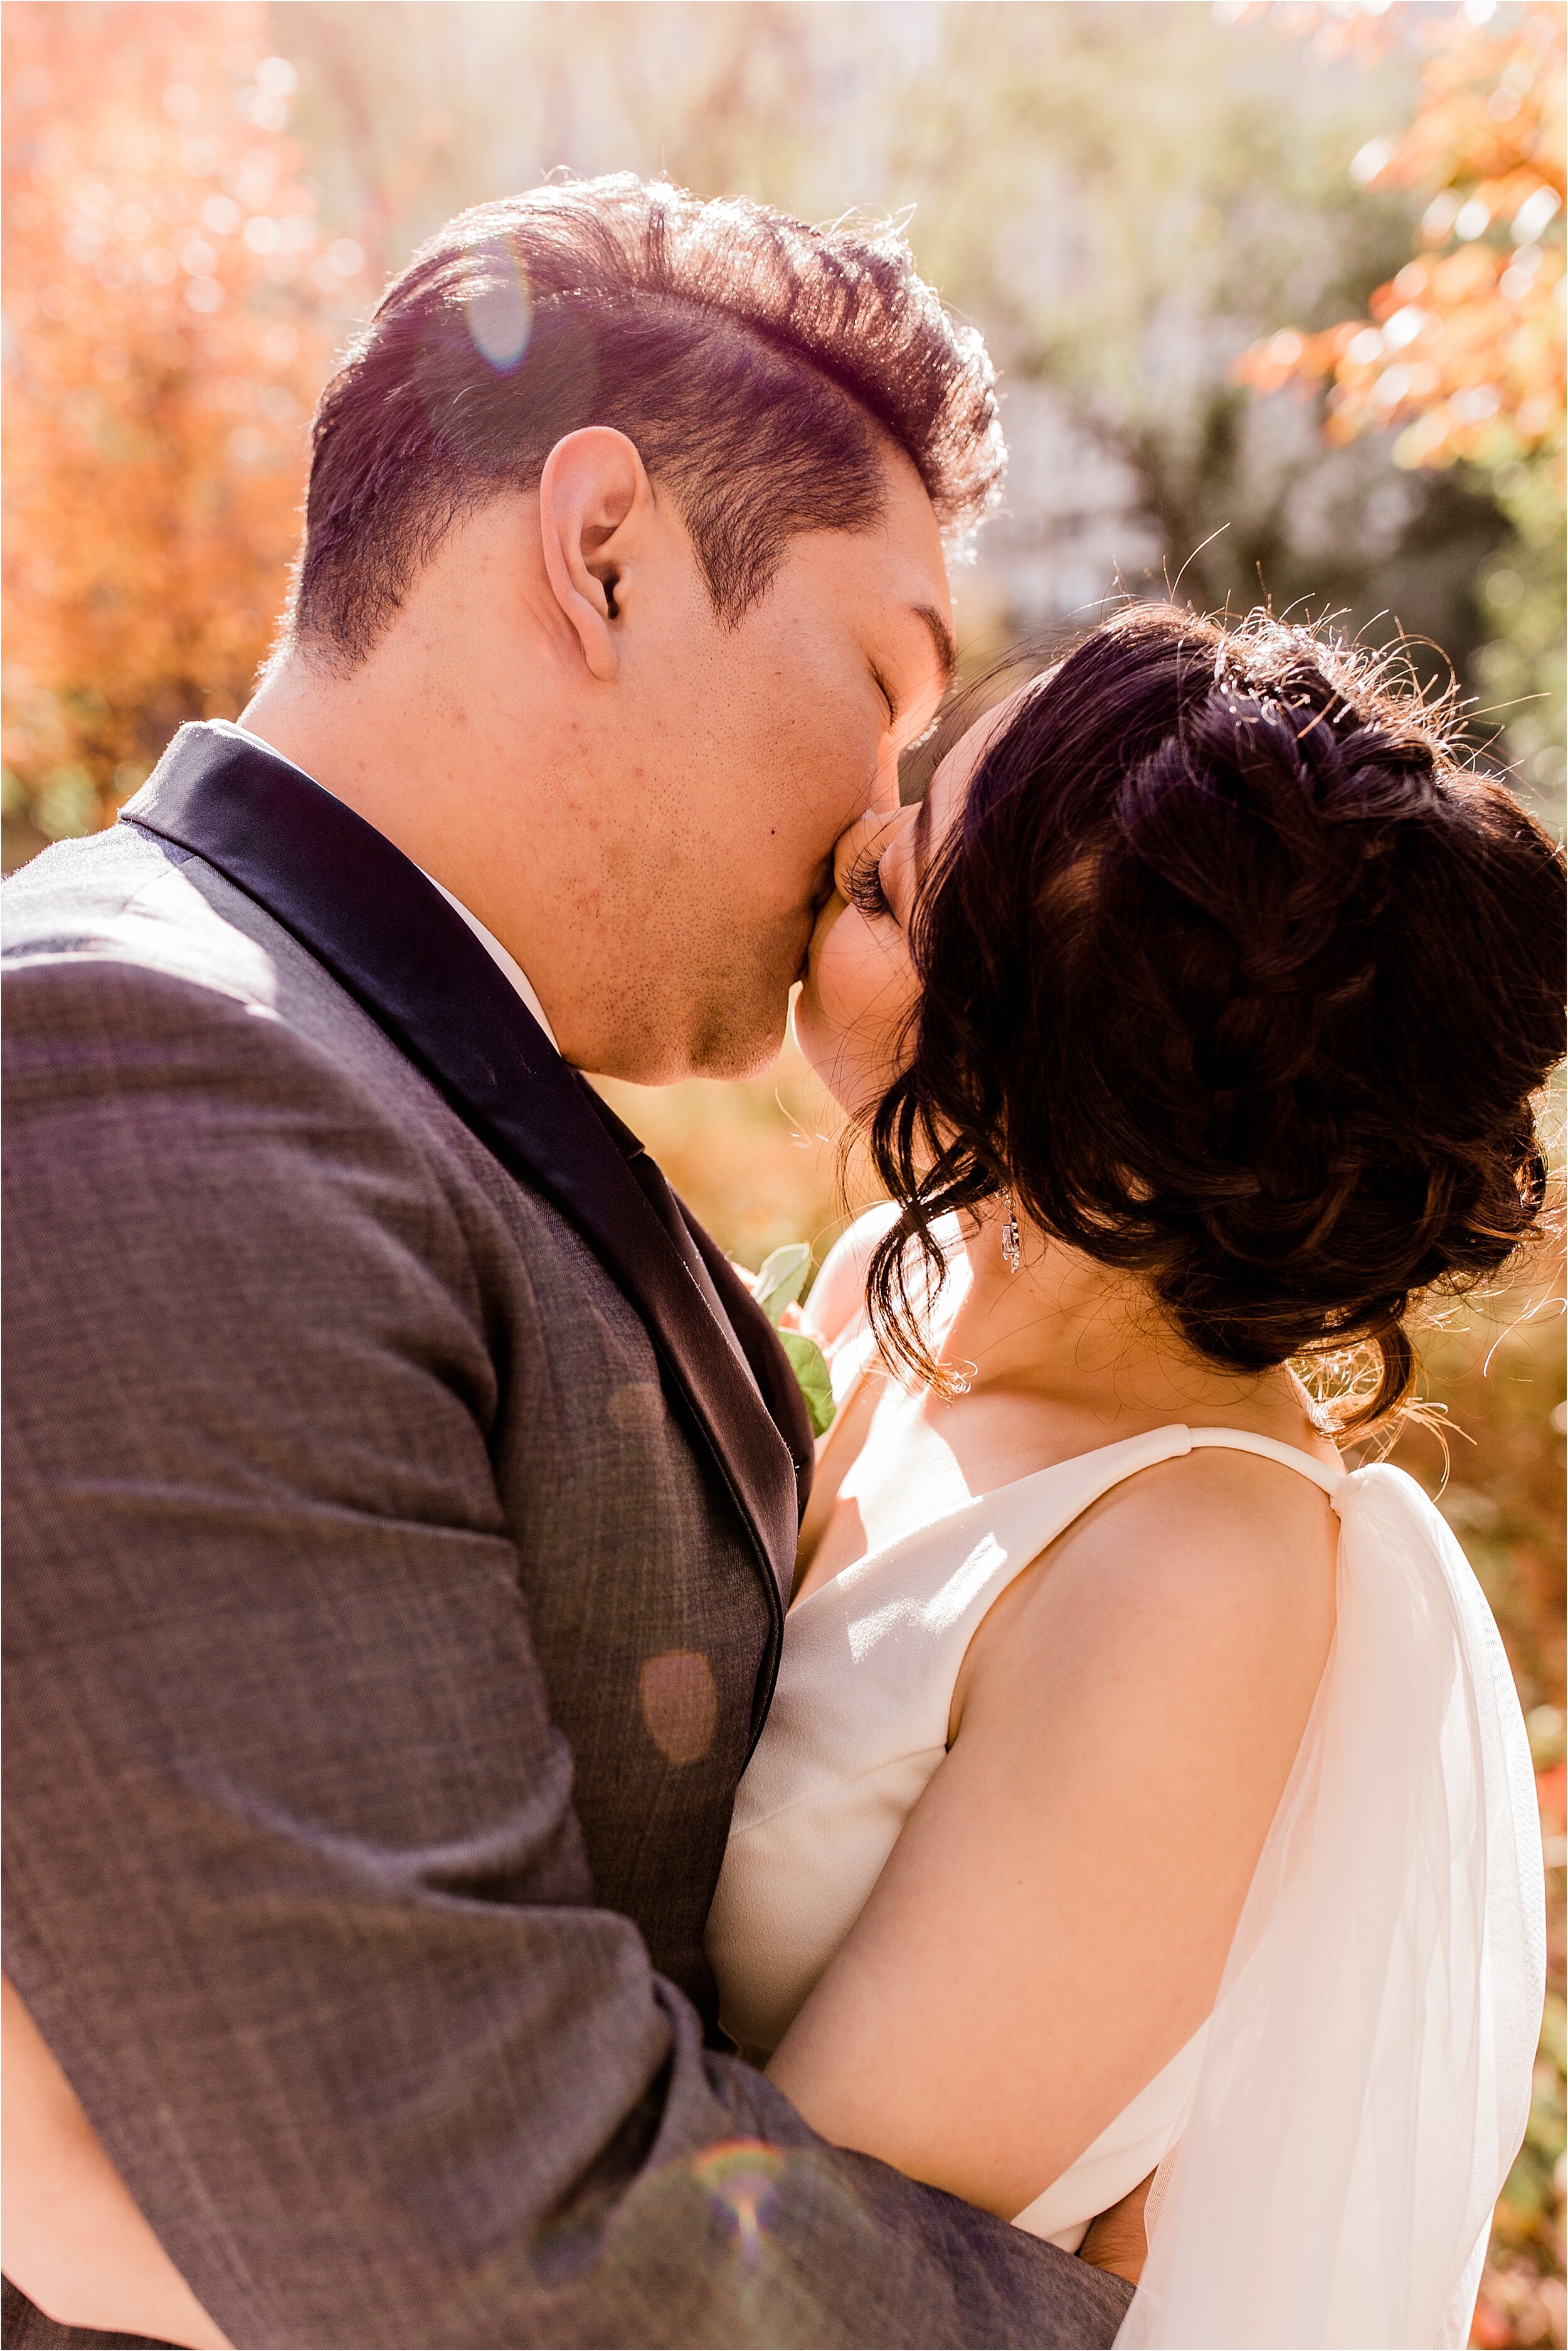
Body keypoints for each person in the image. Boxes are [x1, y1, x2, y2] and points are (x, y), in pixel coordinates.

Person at [2, 175, 1141, 2350]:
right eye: (884, 686)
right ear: (600, 550)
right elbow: (467, 2246)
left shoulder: (391, 1077)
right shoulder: (138, 1075)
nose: (884, 816)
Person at [704, 603, 1563, 2348]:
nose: (849, 841)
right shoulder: (895, 1276)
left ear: (1054, 1080)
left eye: (891, 893)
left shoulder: (1190, 1572)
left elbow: (801, 2275)